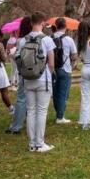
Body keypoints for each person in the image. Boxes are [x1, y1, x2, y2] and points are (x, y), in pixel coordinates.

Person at [19, 12, 56, 152]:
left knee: (31, 111)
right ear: (43, 23)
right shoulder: (47, 40)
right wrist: (50, 74)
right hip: (43, 79)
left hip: (28, 79)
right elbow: (51, 63)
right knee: (41, 111)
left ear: (30, 23)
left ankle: (32, 143)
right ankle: (40, 143)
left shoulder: (23, 40)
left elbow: (19, 60)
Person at [5, 16, 32, 134]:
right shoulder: (41, 38)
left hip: (24, 73)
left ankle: (16, 125)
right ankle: (31, 124)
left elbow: (18, 57)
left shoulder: (21, 41)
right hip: (37, 73)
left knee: (21, 99)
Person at [52, 17, 78, 124]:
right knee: (63, 93)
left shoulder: (49, 38)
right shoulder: (69, 39)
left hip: (52, 69)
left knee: (55, 92)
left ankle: (58, 112)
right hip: (65, 69)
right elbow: (74, 55)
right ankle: (60, 117)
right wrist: (71, 63)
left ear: (56, 26)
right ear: (65, 26)